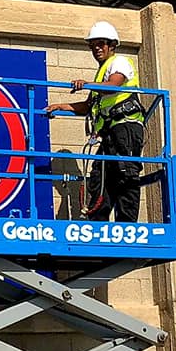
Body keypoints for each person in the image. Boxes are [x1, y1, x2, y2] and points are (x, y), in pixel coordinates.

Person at [45, 20, 145, 222]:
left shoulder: (119, 62)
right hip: (110, 134)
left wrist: (86, 84)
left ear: (112, 45)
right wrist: (61, 106)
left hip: (125, 128)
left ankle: (128, 226)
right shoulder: (101, 75)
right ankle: (98, 223)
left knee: (125, 173)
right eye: (93, 45)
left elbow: (114, 86)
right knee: (100, 176)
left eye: (101, 44)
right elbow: (88, 106)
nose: (96, 49)